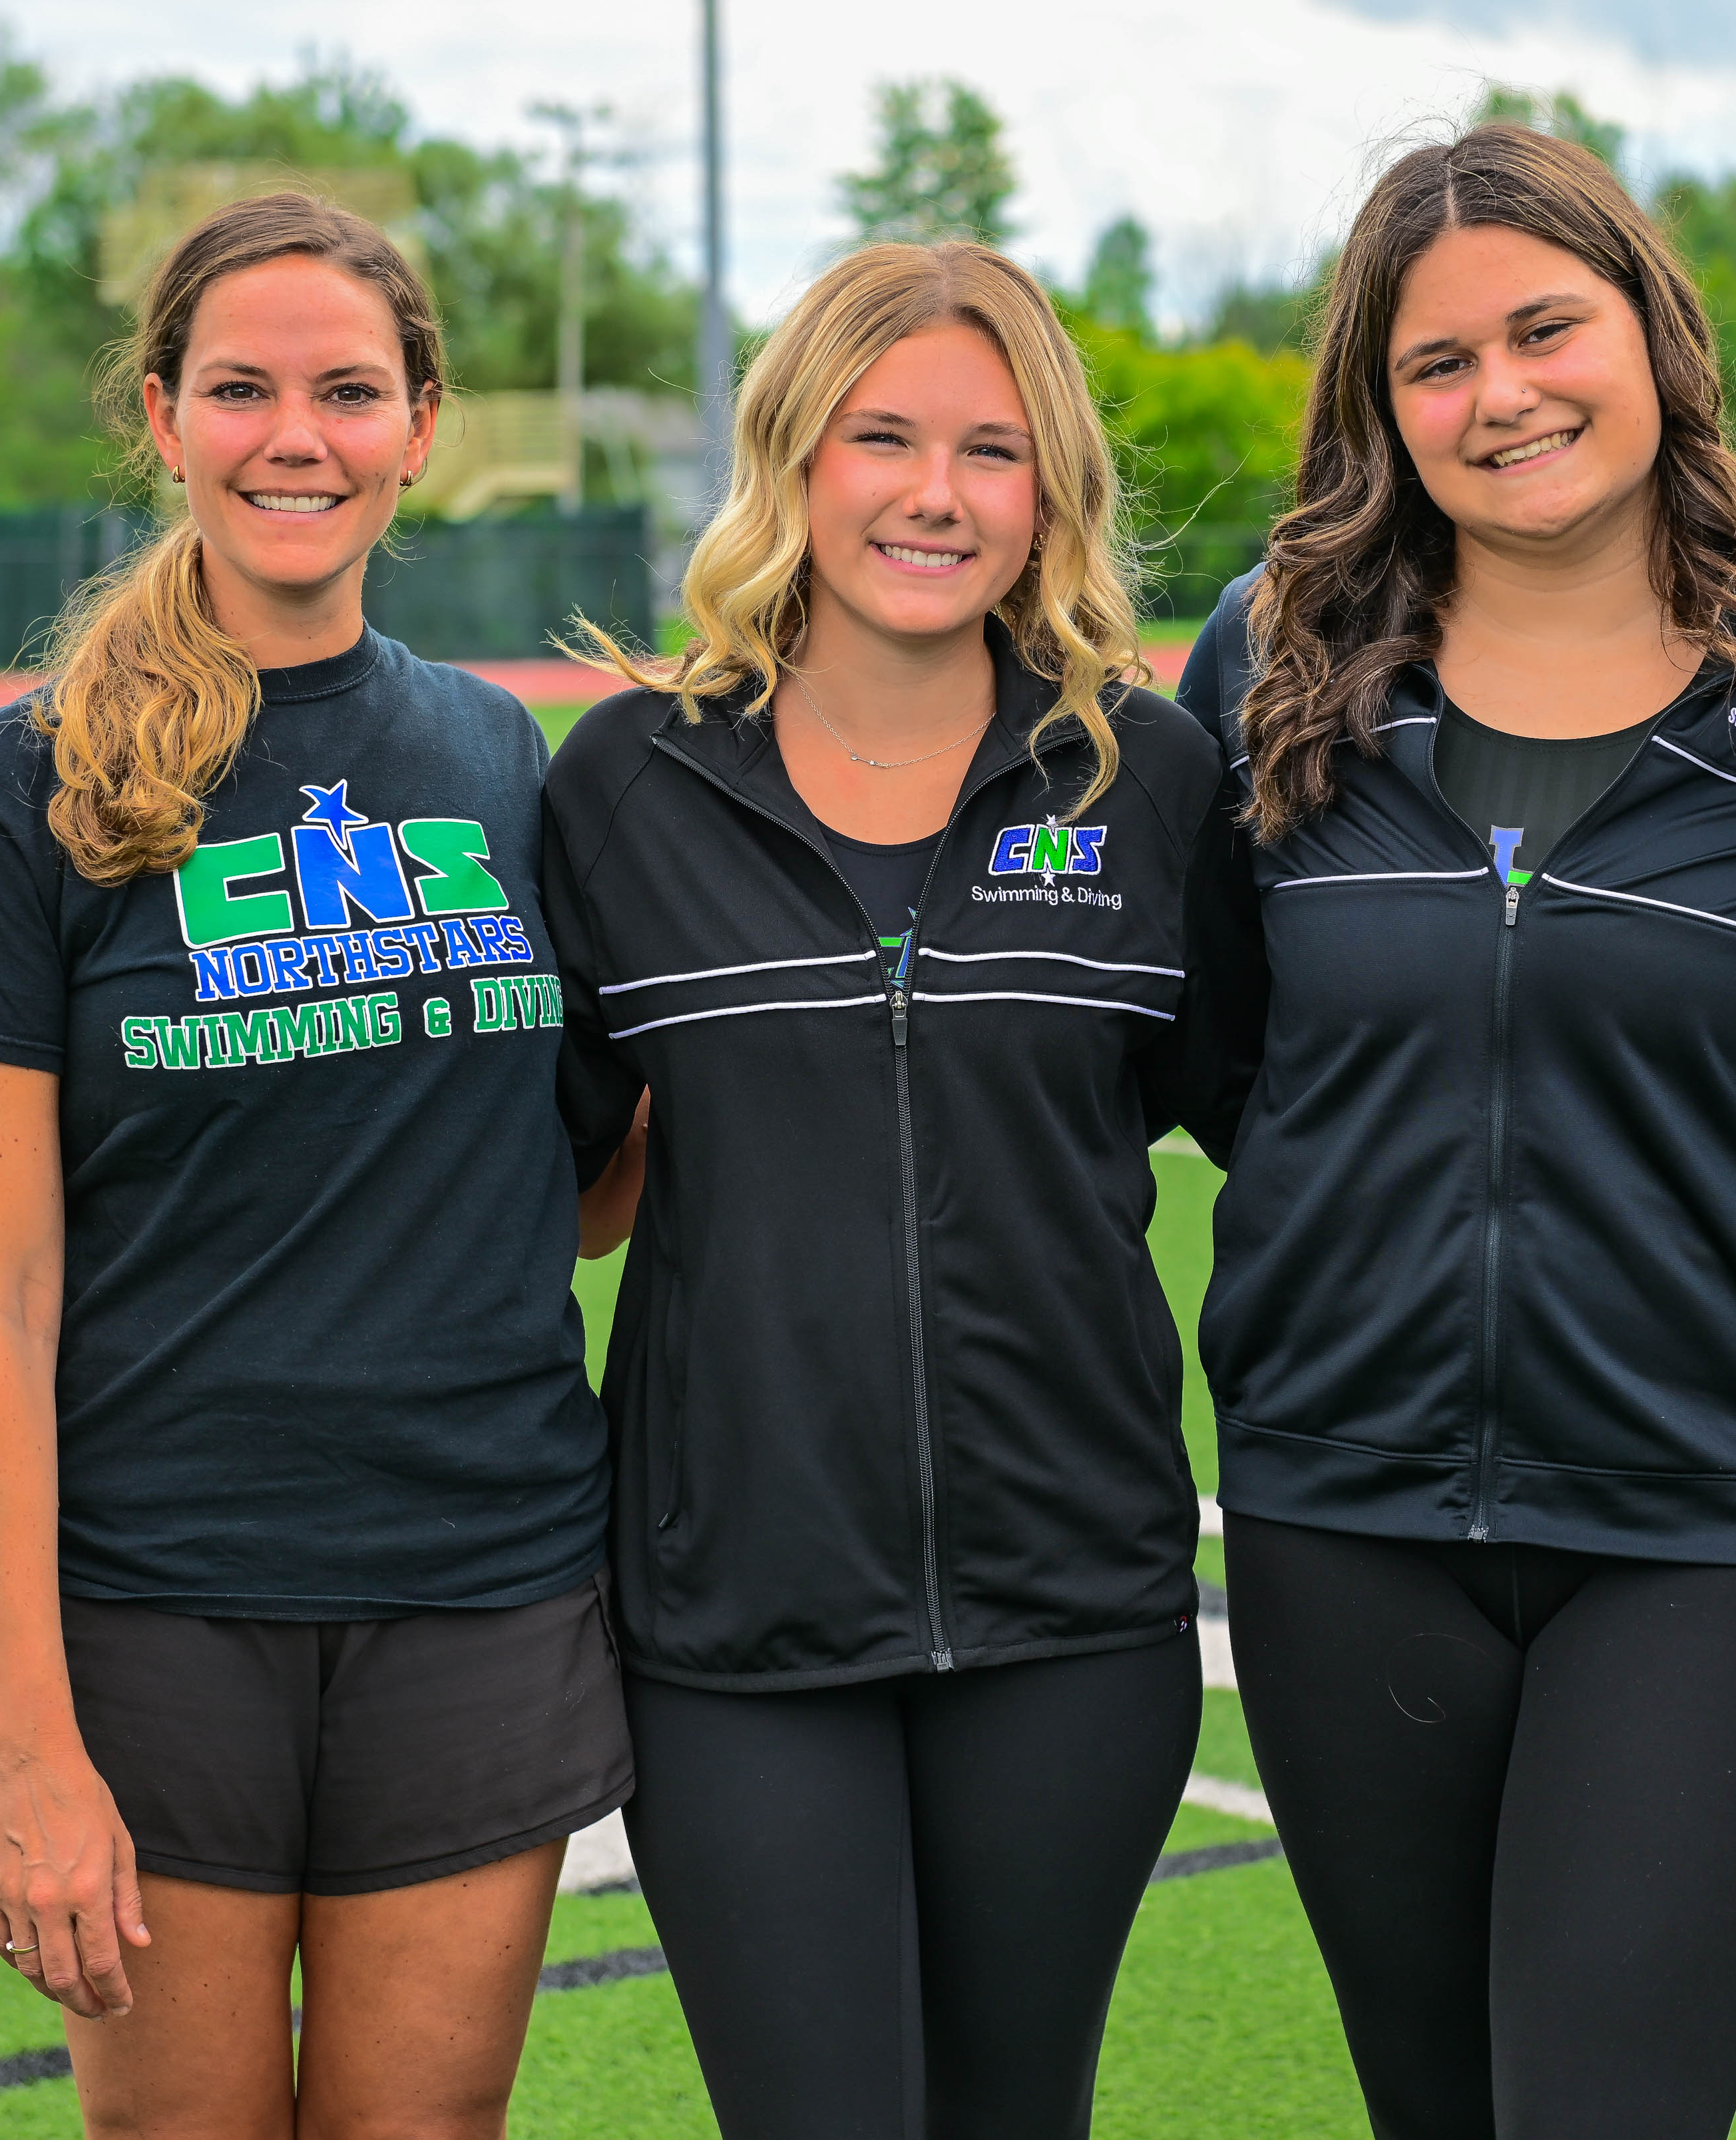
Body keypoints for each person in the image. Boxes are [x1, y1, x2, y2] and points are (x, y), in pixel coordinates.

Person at [1174, 124, 1736, 2135]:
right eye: (1439, 363)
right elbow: (1237, 1059)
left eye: (1546, 329)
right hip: (1347, 1523)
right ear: (1380, 404)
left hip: (1707, 1522)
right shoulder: (1276, 663)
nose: (1503, 397)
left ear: (1653, 333)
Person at [0, 192, 624, 2136]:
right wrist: (24, 1749)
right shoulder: (6, 791)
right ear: (165, 415)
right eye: (246, 389)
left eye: (351, 391)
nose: (301, 436)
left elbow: (570, 1187)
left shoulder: (507, 763)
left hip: (482, 1581)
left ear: (423, 423)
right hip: (157, 1609)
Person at [545, 240, 1233, 2140]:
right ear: (793, 458)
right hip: (738, 1634)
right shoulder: (627, 786)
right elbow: (561, 1178)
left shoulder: (1145, 782)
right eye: (885, 438)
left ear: (1050, 494)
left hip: (1072, 1619)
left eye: (991, 452)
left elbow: (1272, 1115)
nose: (935, 494)